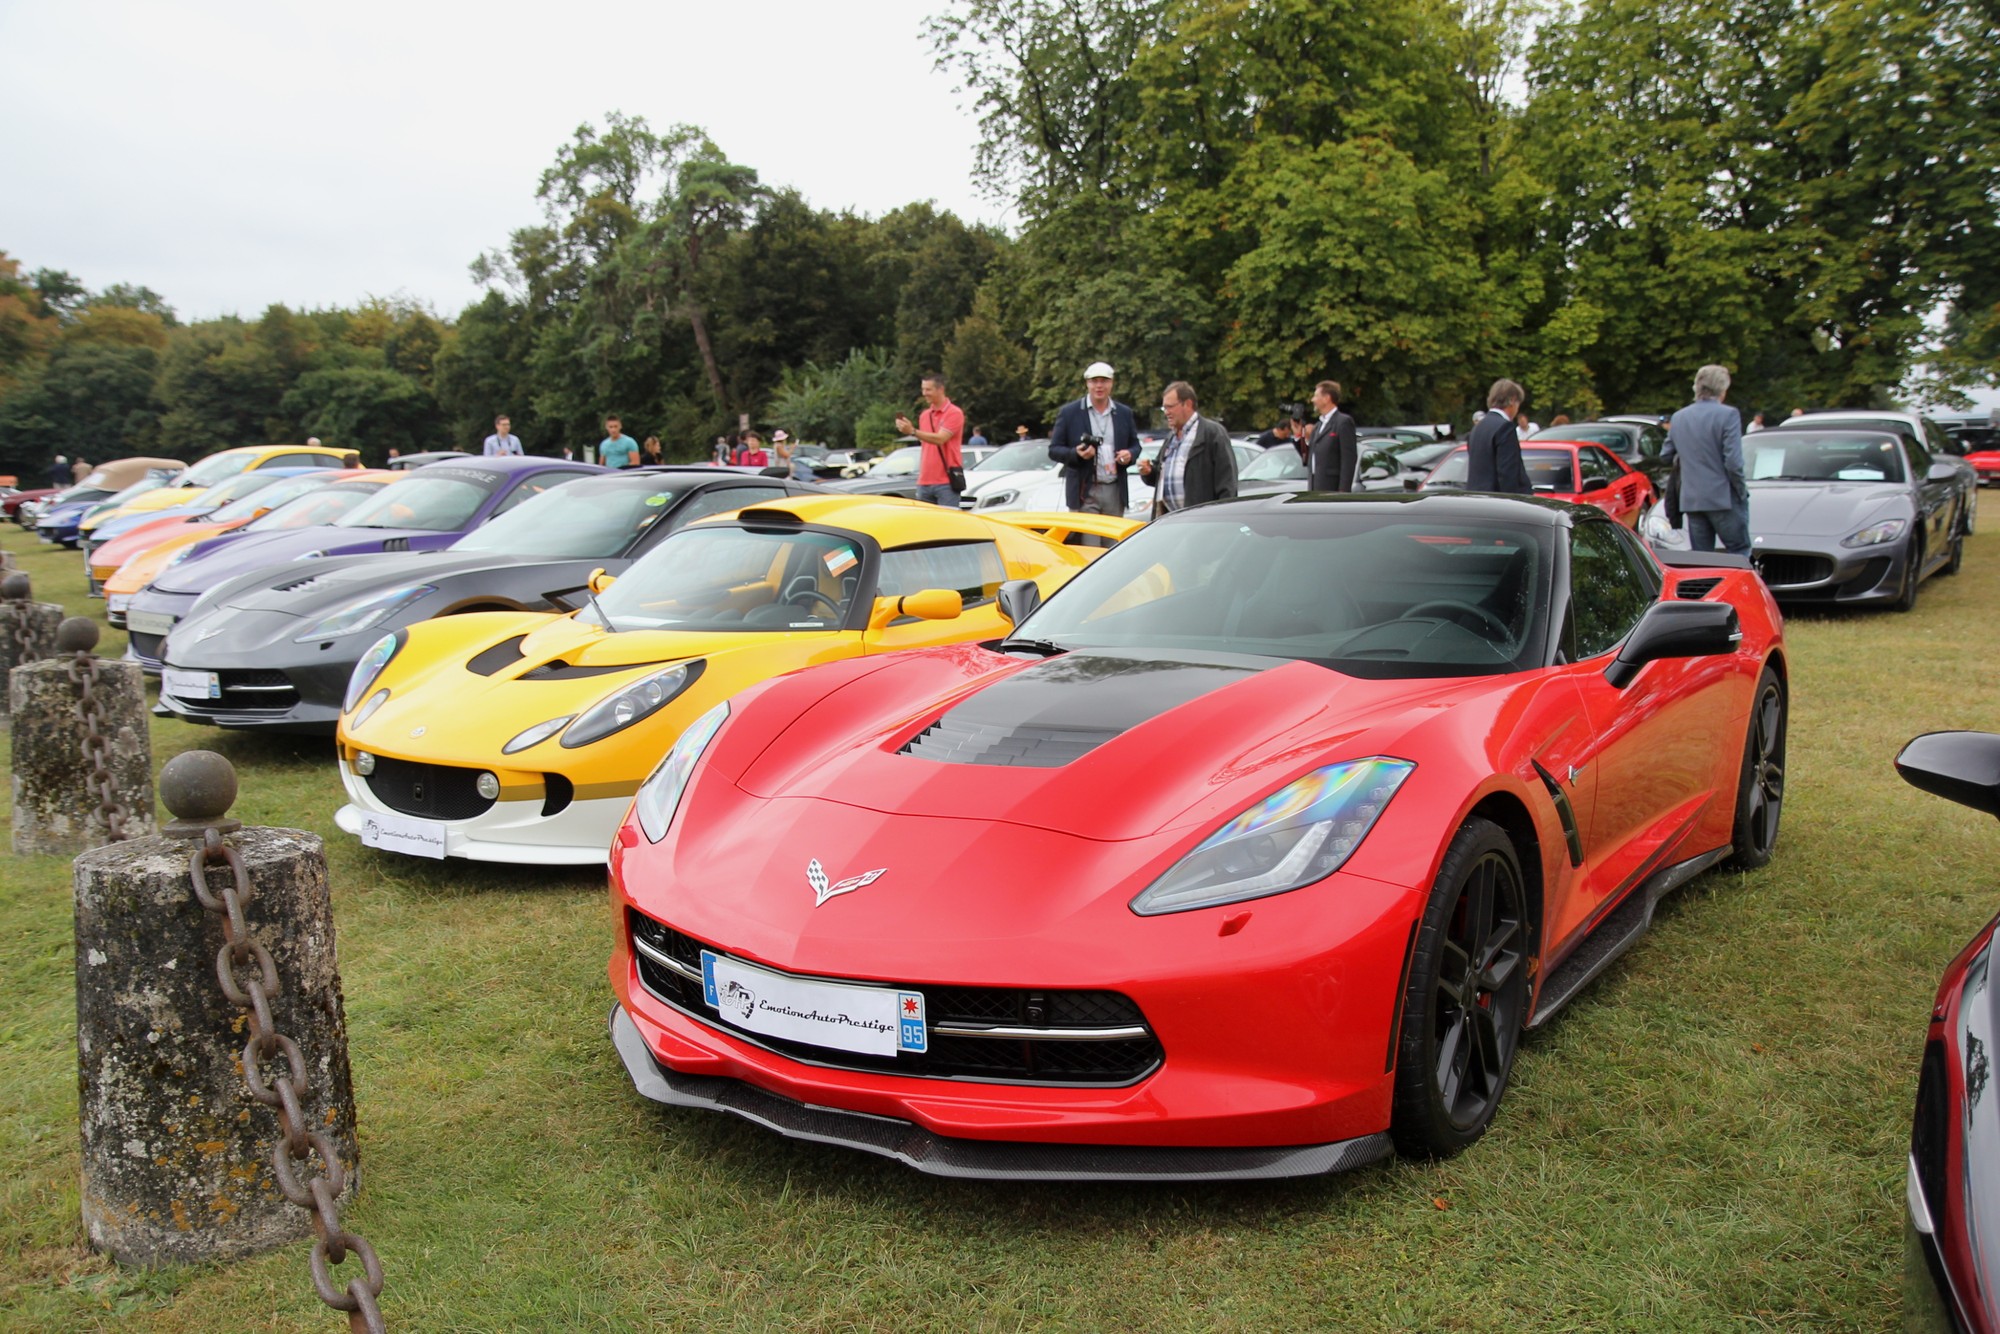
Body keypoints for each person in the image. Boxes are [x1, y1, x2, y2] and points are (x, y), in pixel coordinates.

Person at [1665, 364, 1749, 557]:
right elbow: (1734, 463)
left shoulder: (1679, 417)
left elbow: (1666, 454)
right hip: (1723, 498)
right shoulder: (1729, 415)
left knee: (1702, 560)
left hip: (1692, 500)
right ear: (1722, 389)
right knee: (1739, 553)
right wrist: (1741, 492)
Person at [1048, 361, 1140, 514]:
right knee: (1087, 538)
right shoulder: (1069, 413)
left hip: (1114, 488)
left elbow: (1135, 445)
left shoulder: (1124, 413)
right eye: (1094, 381)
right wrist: (1076, 454)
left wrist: (1129, 454)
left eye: (1104, 381)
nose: (1099, 386)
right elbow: (1054, 450)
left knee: (1116, 537)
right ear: (1087, 383)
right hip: (1084, 490)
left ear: (1111, 383)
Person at [1138, 381, 1236, 518]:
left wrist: (1224, 519)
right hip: (1172, 520)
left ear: (1188, 404)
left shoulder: (1212, 433)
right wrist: (1148, 472)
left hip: (1203, 521)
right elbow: (1161, 477)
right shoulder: (1171, 437)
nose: (1166, 413)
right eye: (1164, 408)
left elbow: (1227, 482)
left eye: (1170, 407)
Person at [896, 372, 965, 507]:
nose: (924, 393)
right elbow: (926, 443)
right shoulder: (924, 415)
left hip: (946, 482)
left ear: (941, 389)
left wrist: (912, 431)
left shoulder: (954, 413)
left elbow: (940, 439)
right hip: (924, 481)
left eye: (928, 389)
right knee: (925, 526)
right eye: (923, 389)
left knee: (947, 524)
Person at [1465, 379, 1533, 495]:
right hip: (1498, 503)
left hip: (1476, 498)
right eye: (1518, 404)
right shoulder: (1505, 428)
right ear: (1512, 400)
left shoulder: (1477, 428)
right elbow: (1508, 474)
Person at [1306, 380, 1359, 492]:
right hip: (1315, 487)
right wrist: (1298, 436)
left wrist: (1343, 491)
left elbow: (1348, 459)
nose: (1312, 400)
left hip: (1332, 489)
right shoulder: (1318, 425)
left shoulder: (1343, 422)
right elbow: (1308, 458)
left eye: (1316, 396)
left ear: (1326, 398)